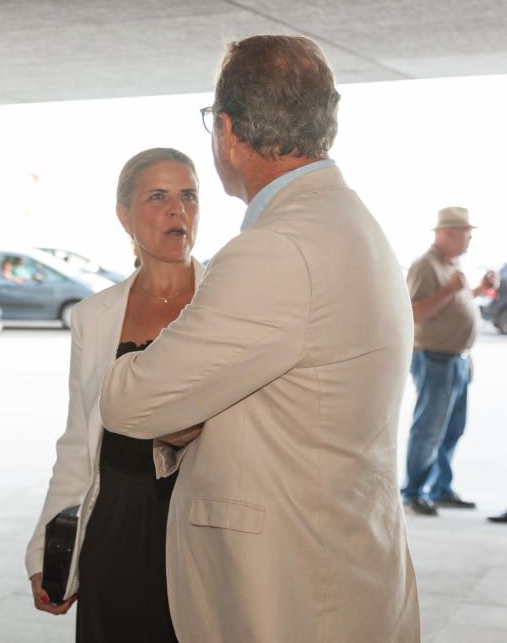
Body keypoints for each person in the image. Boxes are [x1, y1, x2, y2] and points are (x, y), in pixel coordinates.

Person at [99, 35, 419, 641]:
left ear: (226, 131)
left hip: (289, 590)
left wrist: (182, 409)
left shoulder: (275, 248)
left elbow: (128, 401)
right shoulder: (354, 223)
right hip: (340, 562)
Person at [26, 148, 205, 642]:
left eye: (188, 195)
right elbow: (78, 441)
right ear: (124, 214)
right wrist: (49, 544)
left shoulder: (228, 303)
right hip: (118, 520)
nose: (178, 210)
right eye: (158, 196)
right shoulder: (95, 315)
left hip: (206, 520)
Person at [401, 207, 499, 515]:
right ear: (449, 234)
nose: (470, 239)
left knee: (452, 428)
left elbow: (455, 303)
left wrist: (477, 290)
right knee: (429, 429)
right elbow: (414, 314)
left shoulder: (451, 264)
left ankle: (440, 487)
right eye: (466, 233)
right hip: (434, 359)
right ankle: (414, 492)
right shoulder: (425, 265)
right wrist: (448, 291)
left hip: (456, 359)